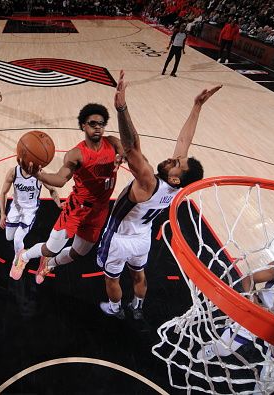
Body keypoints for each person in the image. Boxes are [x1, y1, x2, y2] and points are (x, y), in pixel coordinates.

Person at [98, 70, 220, 320]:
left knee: (112, 278)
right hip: (143, 237)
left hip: (120, 238)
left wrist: (121, 109)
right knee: (139, 274)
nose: (173, 157)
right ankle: (138, 306)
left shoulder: (148, 183)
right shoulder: (176, 186)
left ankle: (115, 308)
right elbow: (185, 140)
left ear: (175, 176)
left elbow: (132, 146)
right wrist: (197, 106)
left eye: (176, 162)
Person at [10, 104, 124, 283]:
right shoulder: (76, 154)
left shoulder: (113, 143)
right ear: (83, 126)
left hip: (99, 211)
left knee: (78, 253)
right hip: (76, 209)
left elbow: (127, 149)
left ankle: (48, 264)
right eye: (92, 123)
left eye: (101, 124)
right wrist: (39, 175)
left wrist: (123, 156)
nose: (97, 127)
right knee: (50, 248)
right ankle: (23, 257)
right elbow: (61, 179)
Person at [196, 247, 274, 392]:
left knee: (270, 376)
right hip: (261, 315)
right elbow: (249, 278)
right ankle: (213, 349)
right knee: (224, 349)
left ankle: (259, 390)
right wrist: (252, 299)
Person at [0, 164, 61, 279]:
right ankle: (23, 251)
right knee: (9, 237)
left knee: (18, 238)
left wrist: (58, 203)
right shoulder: (14, 172)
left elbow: (52, 189)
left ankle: (18, 262)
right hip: (15, 208)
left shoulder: (40, 174)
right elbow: (3, 193)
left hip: (30, 211)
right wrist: (2, 214)